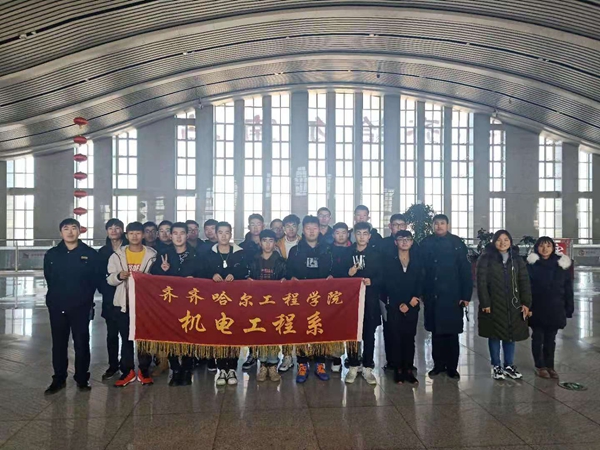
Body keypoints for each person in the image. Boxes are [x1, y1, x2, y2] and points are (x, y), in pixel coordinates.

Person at [43, 218, 100, 394]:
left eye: (74, 228)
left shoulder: (90, 254)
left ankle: (82, 378)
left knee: (81, 343)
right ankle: (59, 379)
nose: (70, 232)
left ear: (79, 231)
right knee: (59, 344)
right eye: (66, 228)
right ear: (61, 232)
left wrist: (85, 300)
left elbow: (94, 280)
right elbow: (49, 277)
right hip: (57, 305)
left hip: (81, 307)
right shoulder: (52, 254)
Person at [420, 214, 472, 379]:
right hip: (433, 294)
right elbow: (421, 270)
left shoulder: (457, 243)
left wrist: (466, 295)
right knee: (436, 333)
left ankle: (452, 367)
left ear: (447, 225)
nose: (439, 226)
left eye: (442, 223)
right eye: (436, 223)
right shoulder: (426, 243)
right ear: (432, 225)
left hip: (452, 296)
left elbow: (465, 271)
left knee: (452, 333)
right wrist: (422, 292)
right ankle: (438, 365)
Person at [107, 221, 158, 387]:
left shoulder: (152, 255)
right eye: (131, 233)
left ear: (143, 235)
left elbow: (157, 279)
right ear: (126, 235)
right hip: (123, 303)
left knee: (143, 339)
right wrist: (118, 276)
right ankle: (127, 371)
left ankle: (144, 370)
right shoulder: (117, 255)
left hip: (144, 305)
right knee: (126, 338)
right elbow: (109, 279)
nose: (135, 236)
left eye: (138, 233)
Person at [477, 230, 531, 380]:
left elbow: (524, 282)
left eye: (506, 239)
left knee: (510, 335)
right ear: (494, 242)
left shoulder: (517, 259)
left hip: (513, 304)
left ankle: (508, 365)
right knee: (494, 335)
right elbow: (481, 282)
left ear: (510, 241)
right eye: (499, 240)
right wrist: (485, 303)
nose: (503, 243)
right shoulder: (486, 258)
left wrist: (526, 303)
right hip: (493, 304)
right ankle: (496, 365)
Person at [151, 222, 201, 386]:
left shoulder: (196, 254)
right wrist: (163, 270)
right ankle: (175, 369)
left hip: (190, 302)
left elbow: (205, 276)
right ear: (170, 236)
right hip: (170, 303)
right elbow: (153, 277)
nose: (179, 237)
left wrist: (194, 279)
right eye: (175, 233)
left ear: (187, 235)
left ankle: (187, 369)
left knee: (189, 335)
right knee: (171, 335)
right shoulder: (163, 254)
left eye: (182, 233)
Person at [286, 215, 333, 383]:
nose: (312, 231)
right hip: (301, 298)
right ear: (303, 230)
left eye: (315, 228)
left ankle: (320, 363)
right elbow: (288, 272)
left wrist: (332, 277)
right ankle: (302, 364)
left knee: (320, 329)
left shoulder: (328, 250)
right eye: (308, 228)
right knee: (301, 330)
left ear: (320, 229)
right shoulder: (295, 251)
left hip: (321, 298)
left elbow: (335, 271)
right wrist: (291, 278)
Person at [202, 221, 248, 386]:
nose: (223, 236)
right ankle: (221, 368)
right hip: (215, 302)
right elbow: (201, 273)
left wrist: (235, 275)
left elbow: (245, 271)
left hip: (235, 301)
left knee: (233, 332)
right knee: (219, 332)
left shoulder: (240, 253)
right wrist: (212, 275)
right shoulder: (208, 254)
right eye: (220, 232)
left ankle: (232, 368)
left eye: (226, 232)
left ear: (231, 234)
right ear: (215, 234)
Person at [340, 222, 382, 385]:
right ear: (354, 235)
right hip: (351, 301)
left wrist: (373, 281)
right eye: (359, 233)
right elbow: (338, 276)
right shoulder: (346, 253)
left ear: (369, 236)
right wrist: (348, 273)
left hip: (370, 300)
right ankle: (353, 366)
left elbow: (384, 276)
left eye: (365, 234)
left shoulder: (376, 254)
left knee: (369, 334)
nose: (362, 237)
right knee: (352, 334)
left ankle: (367, 367)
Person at [527, 236, 574, 379]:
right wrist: (527, 307)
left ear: (553, 248)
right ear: (537, 248)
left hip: (555, 308)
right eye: (541, 246)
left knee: (550, 339)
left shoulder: (561, 264)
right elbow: (526, 288)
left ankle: (550, 366)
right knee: (537, 337)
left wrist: (569, 307)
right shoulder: (531, 265)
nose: (545, 249)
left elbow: (568, 288)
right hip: (537, 307)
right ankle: (540, 366)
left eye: (548, 246)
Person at [383, 230, 423, 384]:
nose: (404, 242)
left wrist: (415, 297)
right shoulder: (389, 260)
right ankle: (398, 369)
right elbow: (388, 283)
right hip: (395, 305)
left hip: (412, 304)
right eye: (401, 239)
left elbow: (421, 280)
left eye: (408, 239)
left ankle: (408, 369)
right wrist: (400, 302)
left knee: (409, 337)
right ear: (396, 242)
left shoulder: (417, 260)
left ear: (412, 242)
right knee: (396, 337)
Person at [248, 229, 286, 382]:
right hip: (258, 304)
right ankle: (262, 364)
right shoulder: (253, 260)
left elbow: (286, 279)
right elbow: (247, 278)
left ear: (275, 243)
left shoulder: (281, 261)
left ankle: (273, 364)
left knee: (274, 333)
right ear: (260, 242)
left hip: (275, 304)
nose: (268, 244)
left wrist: (284, 281)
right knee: (260, 333)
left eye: (271, 241)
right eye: (265, 241)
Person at [98, 218, 127, 381]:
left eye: (117, 228)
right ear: (107, 231)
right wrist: (105, 289)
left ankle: (127, 365)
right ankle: (113, 365)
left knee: (127, 334)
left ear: (122, 230)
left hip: (128, 295)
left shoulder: (130, 249)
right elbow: (98, 274)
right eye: (110, 228)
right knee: (112, 334)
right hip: (110, 297)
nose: (114, 231)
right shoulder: (103, 252)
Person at [240, 213, 265, 370]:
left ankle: (267, 356)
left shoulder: (269, 243)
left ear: (263, 226)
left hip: (267, 289)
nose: (255, 227)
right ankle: (252, 353)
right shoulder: (242, 246)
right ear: (249, 227)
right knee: (252, 321)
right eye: (252, 224)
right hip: (249, 290)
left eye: (258, 224)